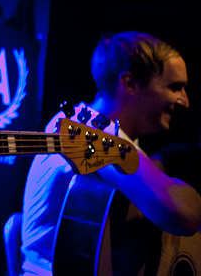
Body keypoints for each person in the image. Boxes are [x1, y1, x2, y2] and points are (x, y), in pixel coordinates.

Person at [20, 31, 201, 275]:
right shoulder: (94, 134)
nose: (185, 101)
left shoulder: (87, 122)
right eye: (175, 87)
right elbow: (183, 215)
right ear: (130, 84)